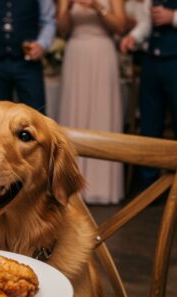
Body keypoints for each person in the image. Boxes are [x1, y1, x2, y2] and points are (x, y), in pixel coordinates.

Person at [57, 0, 126, 204]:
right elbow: (62, 30)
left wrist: (98, 6)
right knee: (73, 116)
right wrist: (64, 7)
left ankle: (103, 187)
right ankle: (71, 185)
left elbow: (120, 27)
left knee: (101, 115)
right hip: (76, 54)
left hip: (101, 53)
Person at [121, 0, 177, 190]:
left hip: (175, 62)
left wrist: (173, 17)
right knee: (149, 124)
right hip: (151, 63)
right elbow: (146, 21)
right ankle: (149, 187)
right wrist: (134, 37)